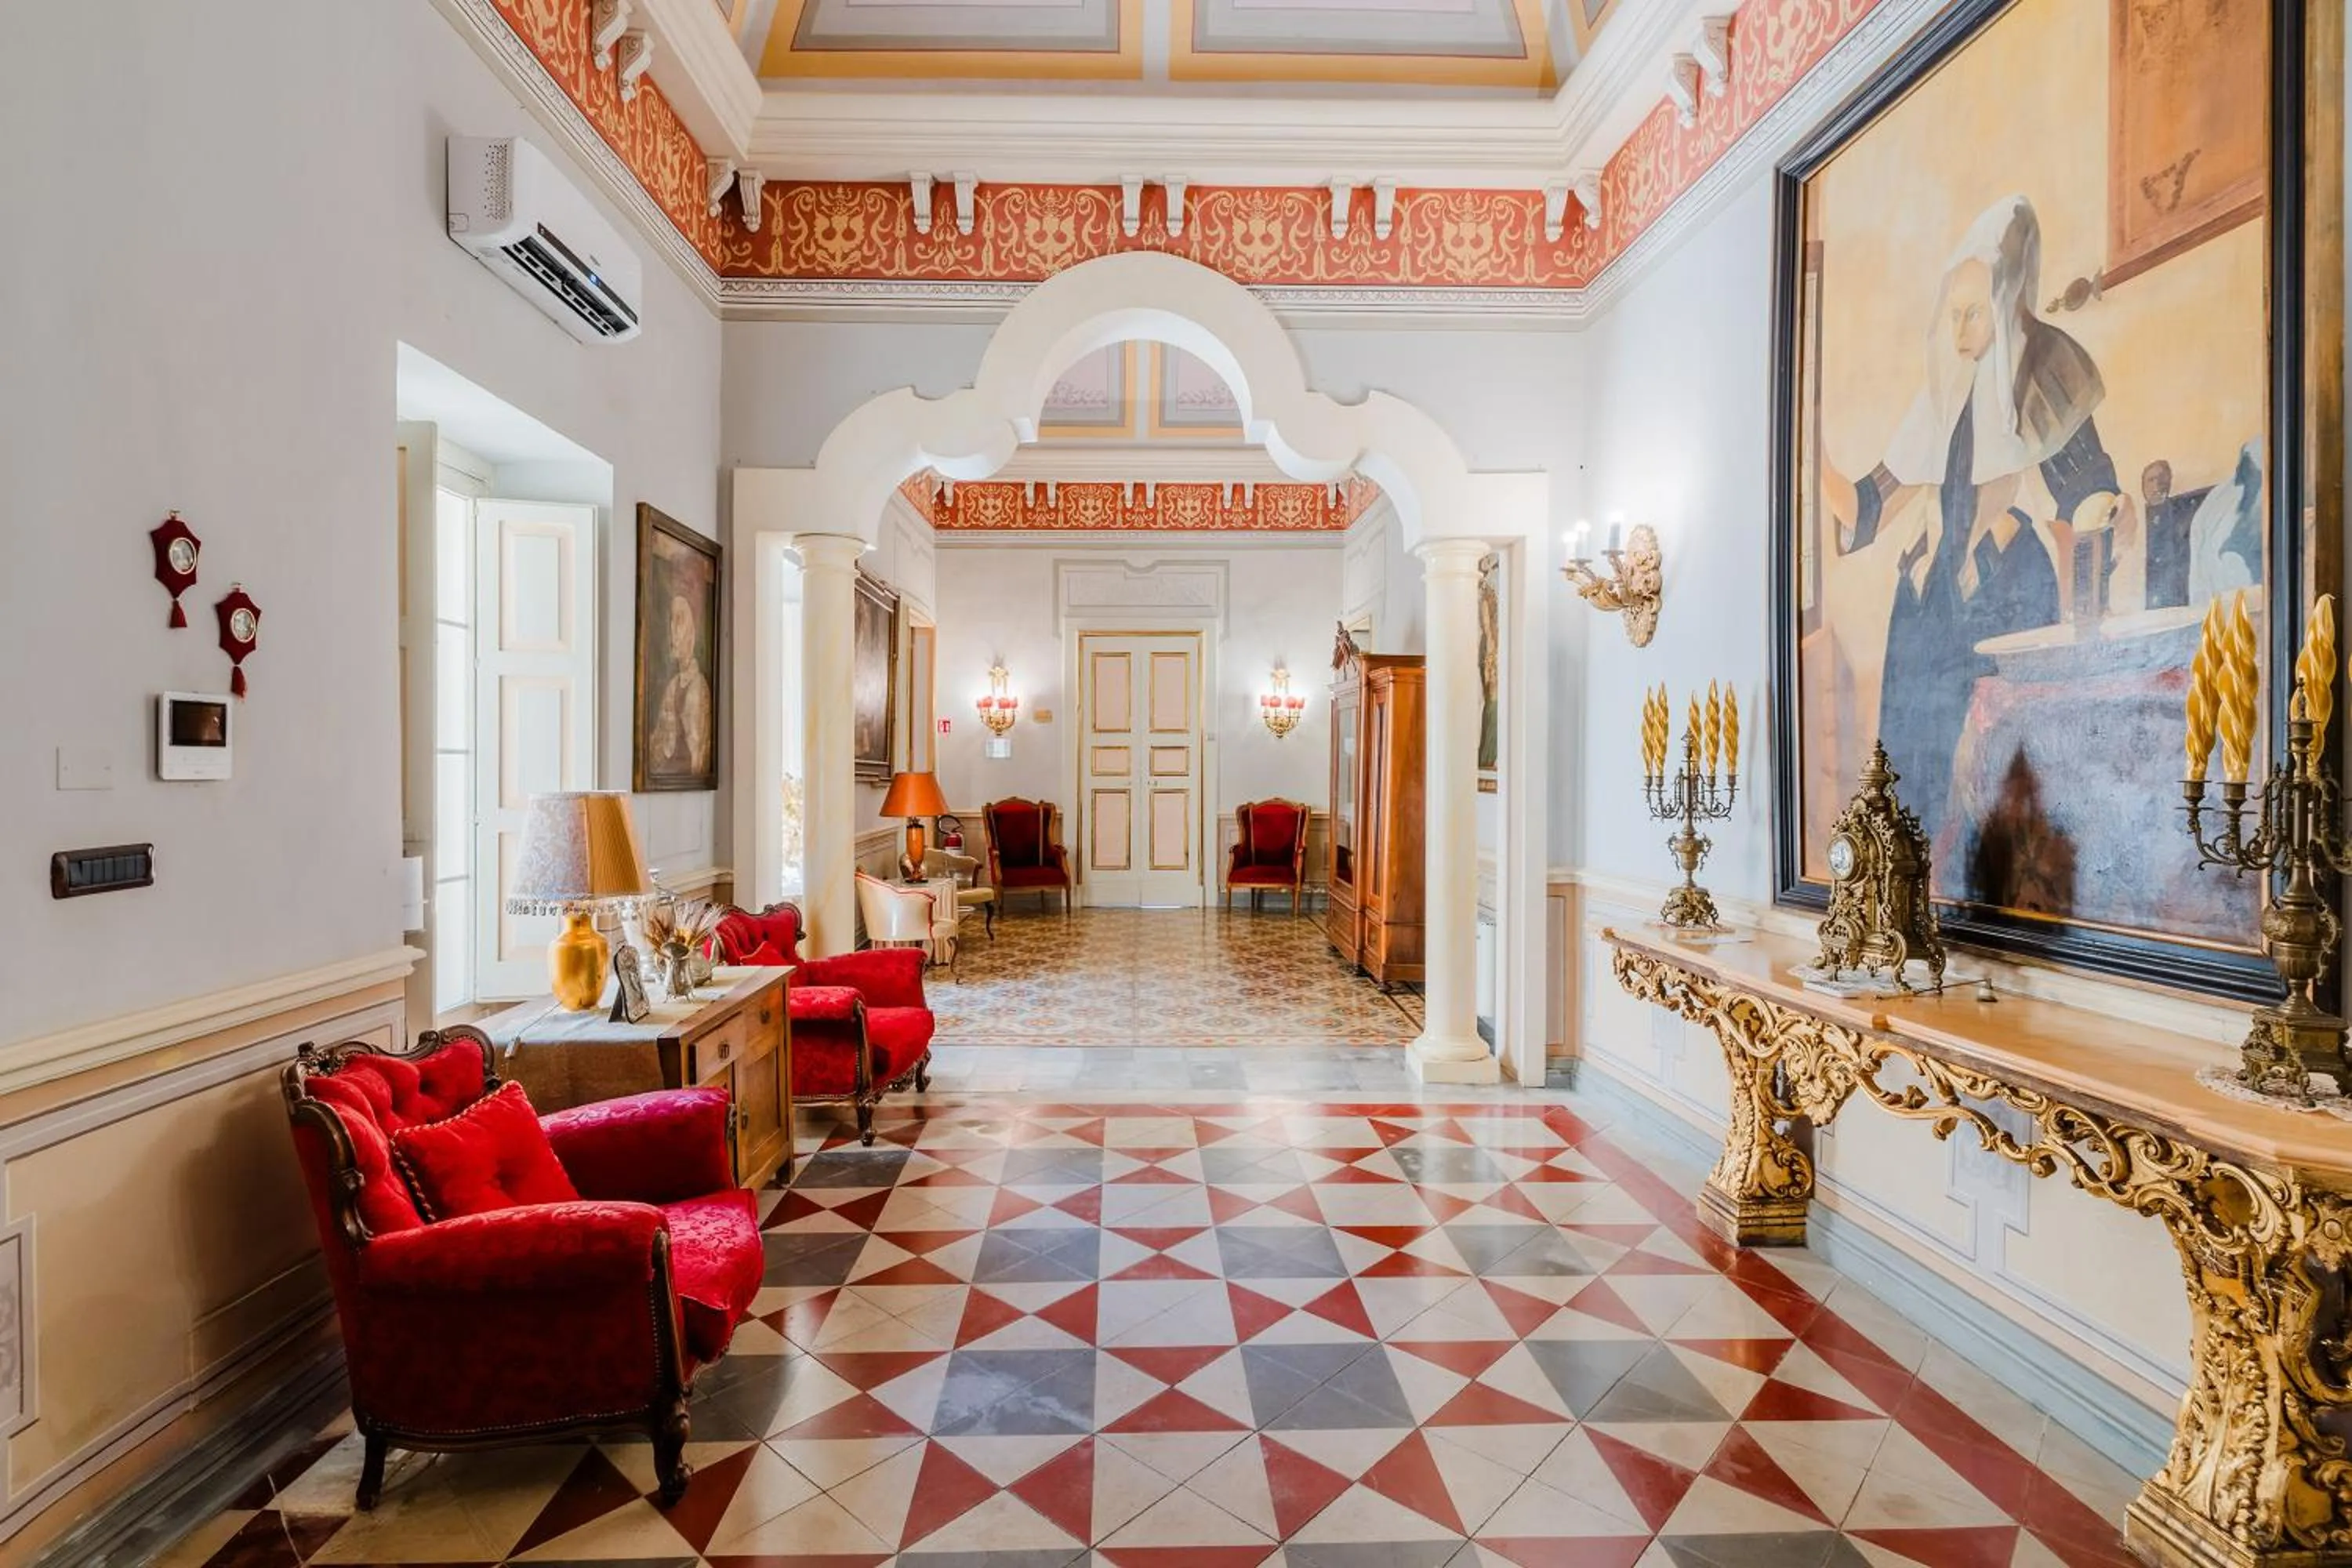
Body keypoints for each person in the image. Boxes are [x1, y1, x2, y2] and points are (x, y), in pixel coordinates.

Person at [1817, 194, 2132, 838]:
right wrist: (1805, 450)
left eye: (1972, 315)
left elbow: (2088, 498)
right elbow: (1867, 512)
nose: (1958, 334)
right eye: (1951, 315)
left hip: (2005, 593)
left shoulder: (2044, 370)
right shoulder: (1939, 397)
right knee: (1907, 790)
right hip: (1924, 608)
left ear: (2006, 306)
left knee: (1992, 798)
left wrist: (2107, 520)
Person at [652, 592, 713, 776]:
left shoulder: (699, 687)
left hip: (686, 771)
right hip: (671, 772)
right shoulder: (672, 686)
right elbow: (660, 739)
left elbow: (700, 748)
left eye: (679, 621)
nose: (673, 630)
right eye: (672, 621)